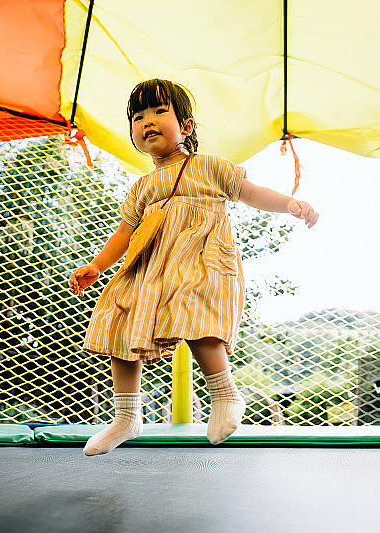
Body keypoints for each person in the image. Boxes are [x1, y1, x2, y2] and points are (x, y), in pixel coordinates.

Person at [69, 79, 319, 456]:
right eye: (138, 116)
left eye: (158, 111)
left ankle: (225, 394)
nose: (147, 121)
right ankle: (126, 416)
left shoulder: (210, 167)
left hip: (199, 259)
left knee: (193, 311)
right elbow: (125, 231)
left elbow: (251, 194)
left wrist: (290, 204)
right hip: (149, 266)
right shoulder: (142, 187)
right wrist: (98, 265)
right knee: (120, 319)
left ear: (185, 127)